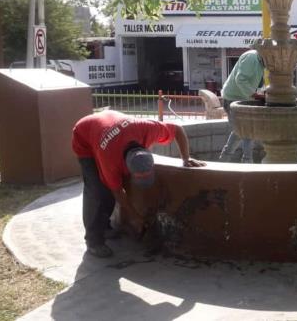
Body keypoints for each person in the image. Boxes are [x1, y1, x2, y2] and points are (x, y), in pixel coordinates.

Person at [72, 110, 205, 258]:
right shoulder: (110, 159)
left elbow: (177, 130)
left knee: (107, 185)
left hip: (109, 127)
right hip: (84, 138)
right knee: (97, 190)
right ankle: (94, 241)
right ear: (124, 164)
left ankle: (104, 226)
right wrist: (136, 217)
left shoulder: (146, 129)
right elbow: (117, 190)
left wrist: (186, 158)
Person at [219, 50, 265, 163]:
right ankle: (247, 163)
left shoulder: (260, 61)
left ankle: (225, 160)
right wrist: (254, 94)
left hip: (242, 98)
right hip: (233, 98)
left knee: (241, 131)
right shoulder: (252, 58)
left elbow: (255, 81)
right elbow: (240, 79)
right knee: (246, 131)